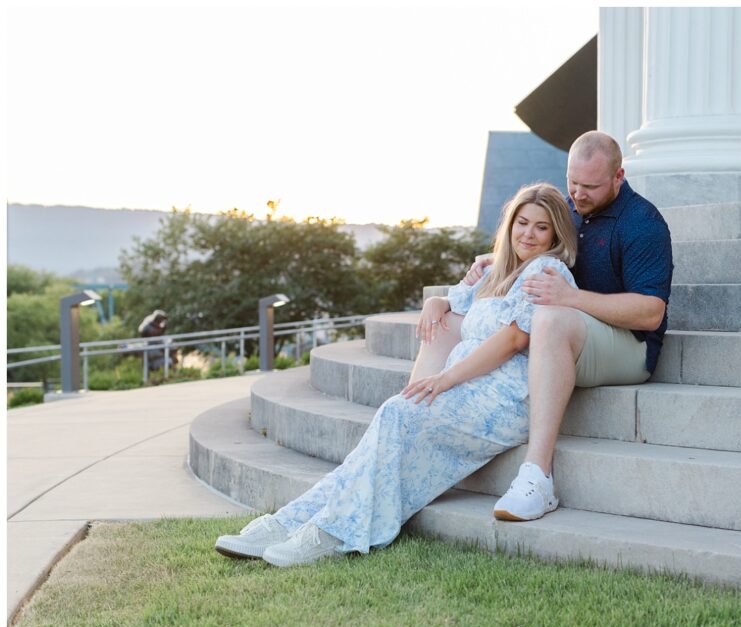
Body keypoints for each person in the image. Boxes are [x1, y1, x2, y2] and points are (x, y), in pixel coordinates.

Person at [214, 183, 578, 567]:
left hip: (502, 398)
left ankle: (336, 533)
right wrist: (436, 302)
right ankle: (291, 521)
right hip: (471, 387)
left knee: (397, 413)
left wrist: (445, 378)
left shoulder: (546, 269)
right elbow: (454, 302)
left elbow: (513, 339)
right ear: (509, 225)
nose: (529, 234)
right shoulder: (499, 271)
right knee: (391, 421)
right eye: (522, 223)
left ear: (555, 234)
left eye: (541, 227)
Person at [415, 131, 673, 522]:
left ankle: (538, 477)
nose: (578, 194)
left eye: (590, 186)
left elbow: (650, 312)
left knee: (547, 317)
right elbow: (538, 247)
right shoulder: (567, 208)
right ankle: (414, 418)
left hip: (628, 346)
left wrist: (571, 299)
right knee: (449, 320)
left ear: (618, 176)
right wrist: (493, 262)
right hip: (571, 329)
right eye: (573, 182)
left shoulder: (643, 223)